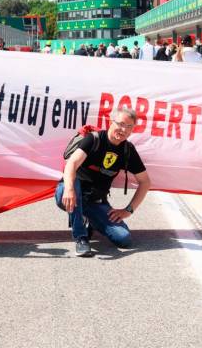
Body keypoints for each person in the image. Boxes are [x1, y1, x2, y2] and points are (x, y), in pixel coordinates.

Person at [55, 108, 151, 256]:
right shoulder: (94, 139)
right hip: (71, 194)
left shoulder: (128, 150)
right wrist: (68, 189)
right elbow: (71, 164)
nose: (123, 129)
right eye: (120, 124)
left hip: (96, 201)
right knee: (73, 184)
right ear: (111, 122)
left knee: (123, 238)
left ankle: (89, 218)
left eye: (129, 127)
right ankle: (81, 237)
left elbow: (145, 182)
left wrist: (128, 210)